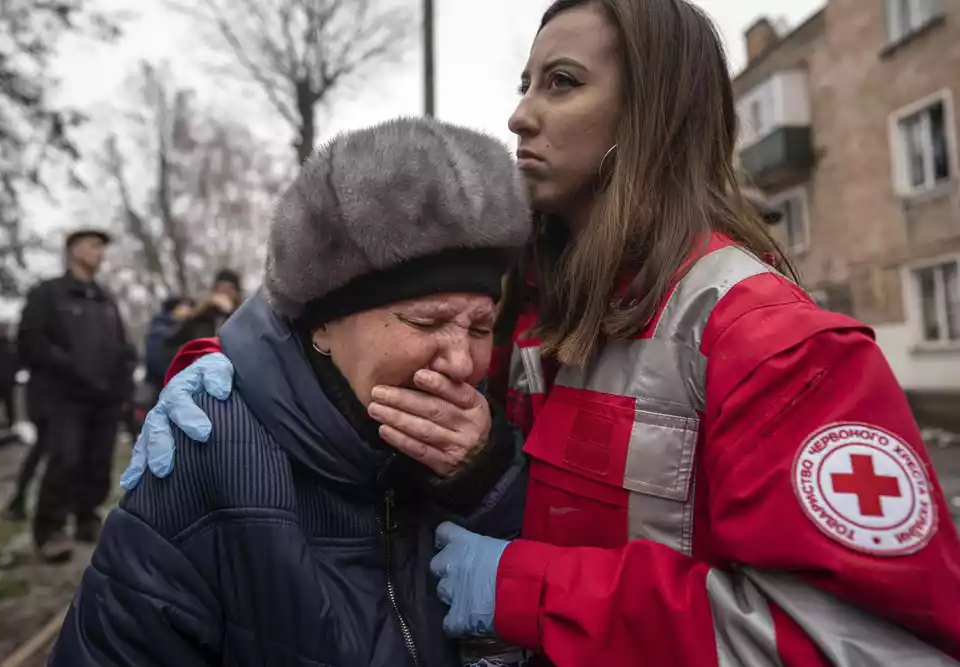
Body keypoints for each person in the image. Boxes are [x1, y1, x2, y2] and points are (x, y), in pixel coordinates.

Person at [125, 2, 960, 665]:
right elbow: (337, 309)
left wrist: (526, 588)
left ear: (654, 113)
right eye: (525, 82)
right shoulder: (520, 282)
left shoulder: (777, 347)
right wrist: (223, 375)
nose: (520, 115)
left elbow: (865, 646)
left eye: (561, 84)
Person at [49, 118, 532, 667]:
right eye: (425, 322)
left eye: (479, 327)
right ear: (323, 325)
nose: (463, 362)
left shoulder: (493, 448)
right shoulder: (209, 451)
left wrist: (485, 484)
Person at [17, 228, 133, 561]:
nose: (100, 253)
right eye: (95, 246)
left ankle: (86, 517)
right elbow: (31, 341)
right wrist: (70, 369)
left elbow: (122, 345)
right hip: (62, 396)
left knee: (98, 461)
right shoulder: (49, 293)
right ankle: (50, 529)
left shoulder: (105, 298)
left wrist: (122, 378)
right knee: (66, 458)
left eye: (102, 247)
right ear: (74, 250)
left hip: (104, 398)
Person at [162, 270, 240, 364]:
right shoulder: (199, 319)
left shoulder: (241, 320)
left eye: (230, 290)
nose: (224, 293)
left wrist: (230, 313)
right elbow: (169, 345)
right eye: (221, 288)